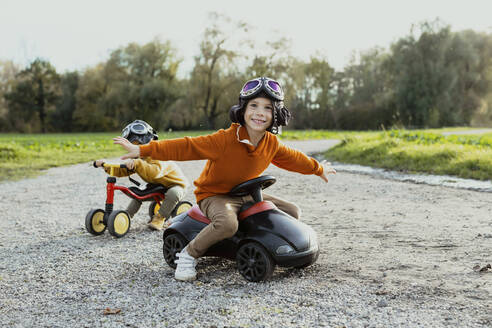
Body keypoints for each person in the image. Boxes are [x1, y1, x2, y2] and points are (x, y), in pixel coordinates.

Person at [113, 77, 336, 281]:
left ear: (275, 114)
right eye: (254, 106)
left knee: (292, 210)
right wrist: (143, 150)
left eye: (267, 108)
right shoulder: (225, 140)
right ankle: (189, 255)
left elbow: (294, 159)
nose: (260, 113)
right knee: (227, 223)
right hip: (215, 195)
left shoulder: (271, 143)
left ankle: (273, 246)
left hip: (245, 192)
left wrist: (318, 169)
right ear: (243, 109)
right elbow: (186, 146)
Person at [95, 119, 188, 231]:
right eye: (131, 145)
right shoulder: (139, 158)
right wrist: (106, 165)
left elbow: (154, 173)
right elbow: (123, 171)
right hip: (158, 185)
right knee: (138, 194)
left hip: (176, 184)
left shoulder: (159, 154)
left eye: (136, 145)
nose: (133, 148)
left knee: (174, 193)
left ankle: (160, 218)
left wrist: (137, 163)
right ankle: (126, 216)